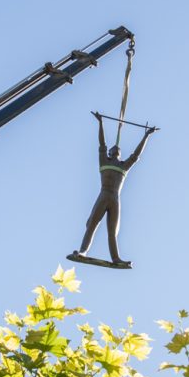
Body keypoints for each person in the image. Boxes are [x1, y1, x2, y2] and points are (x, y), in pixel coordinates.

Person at [72, 111, 156, 266]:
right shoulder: (104, 160)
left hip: (115, 199)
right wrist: (100, 123)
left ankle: (116, 258)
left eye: (118, 149)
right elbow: (102, 144)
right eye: (112, 148)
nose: (116, 148)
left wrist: (146, 136)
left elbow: (136, 155)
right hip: (103, 195)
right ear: (110, 153)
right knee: (92, 225)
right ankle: (83, 251)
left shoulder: (124, 166)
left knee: (113, 232)